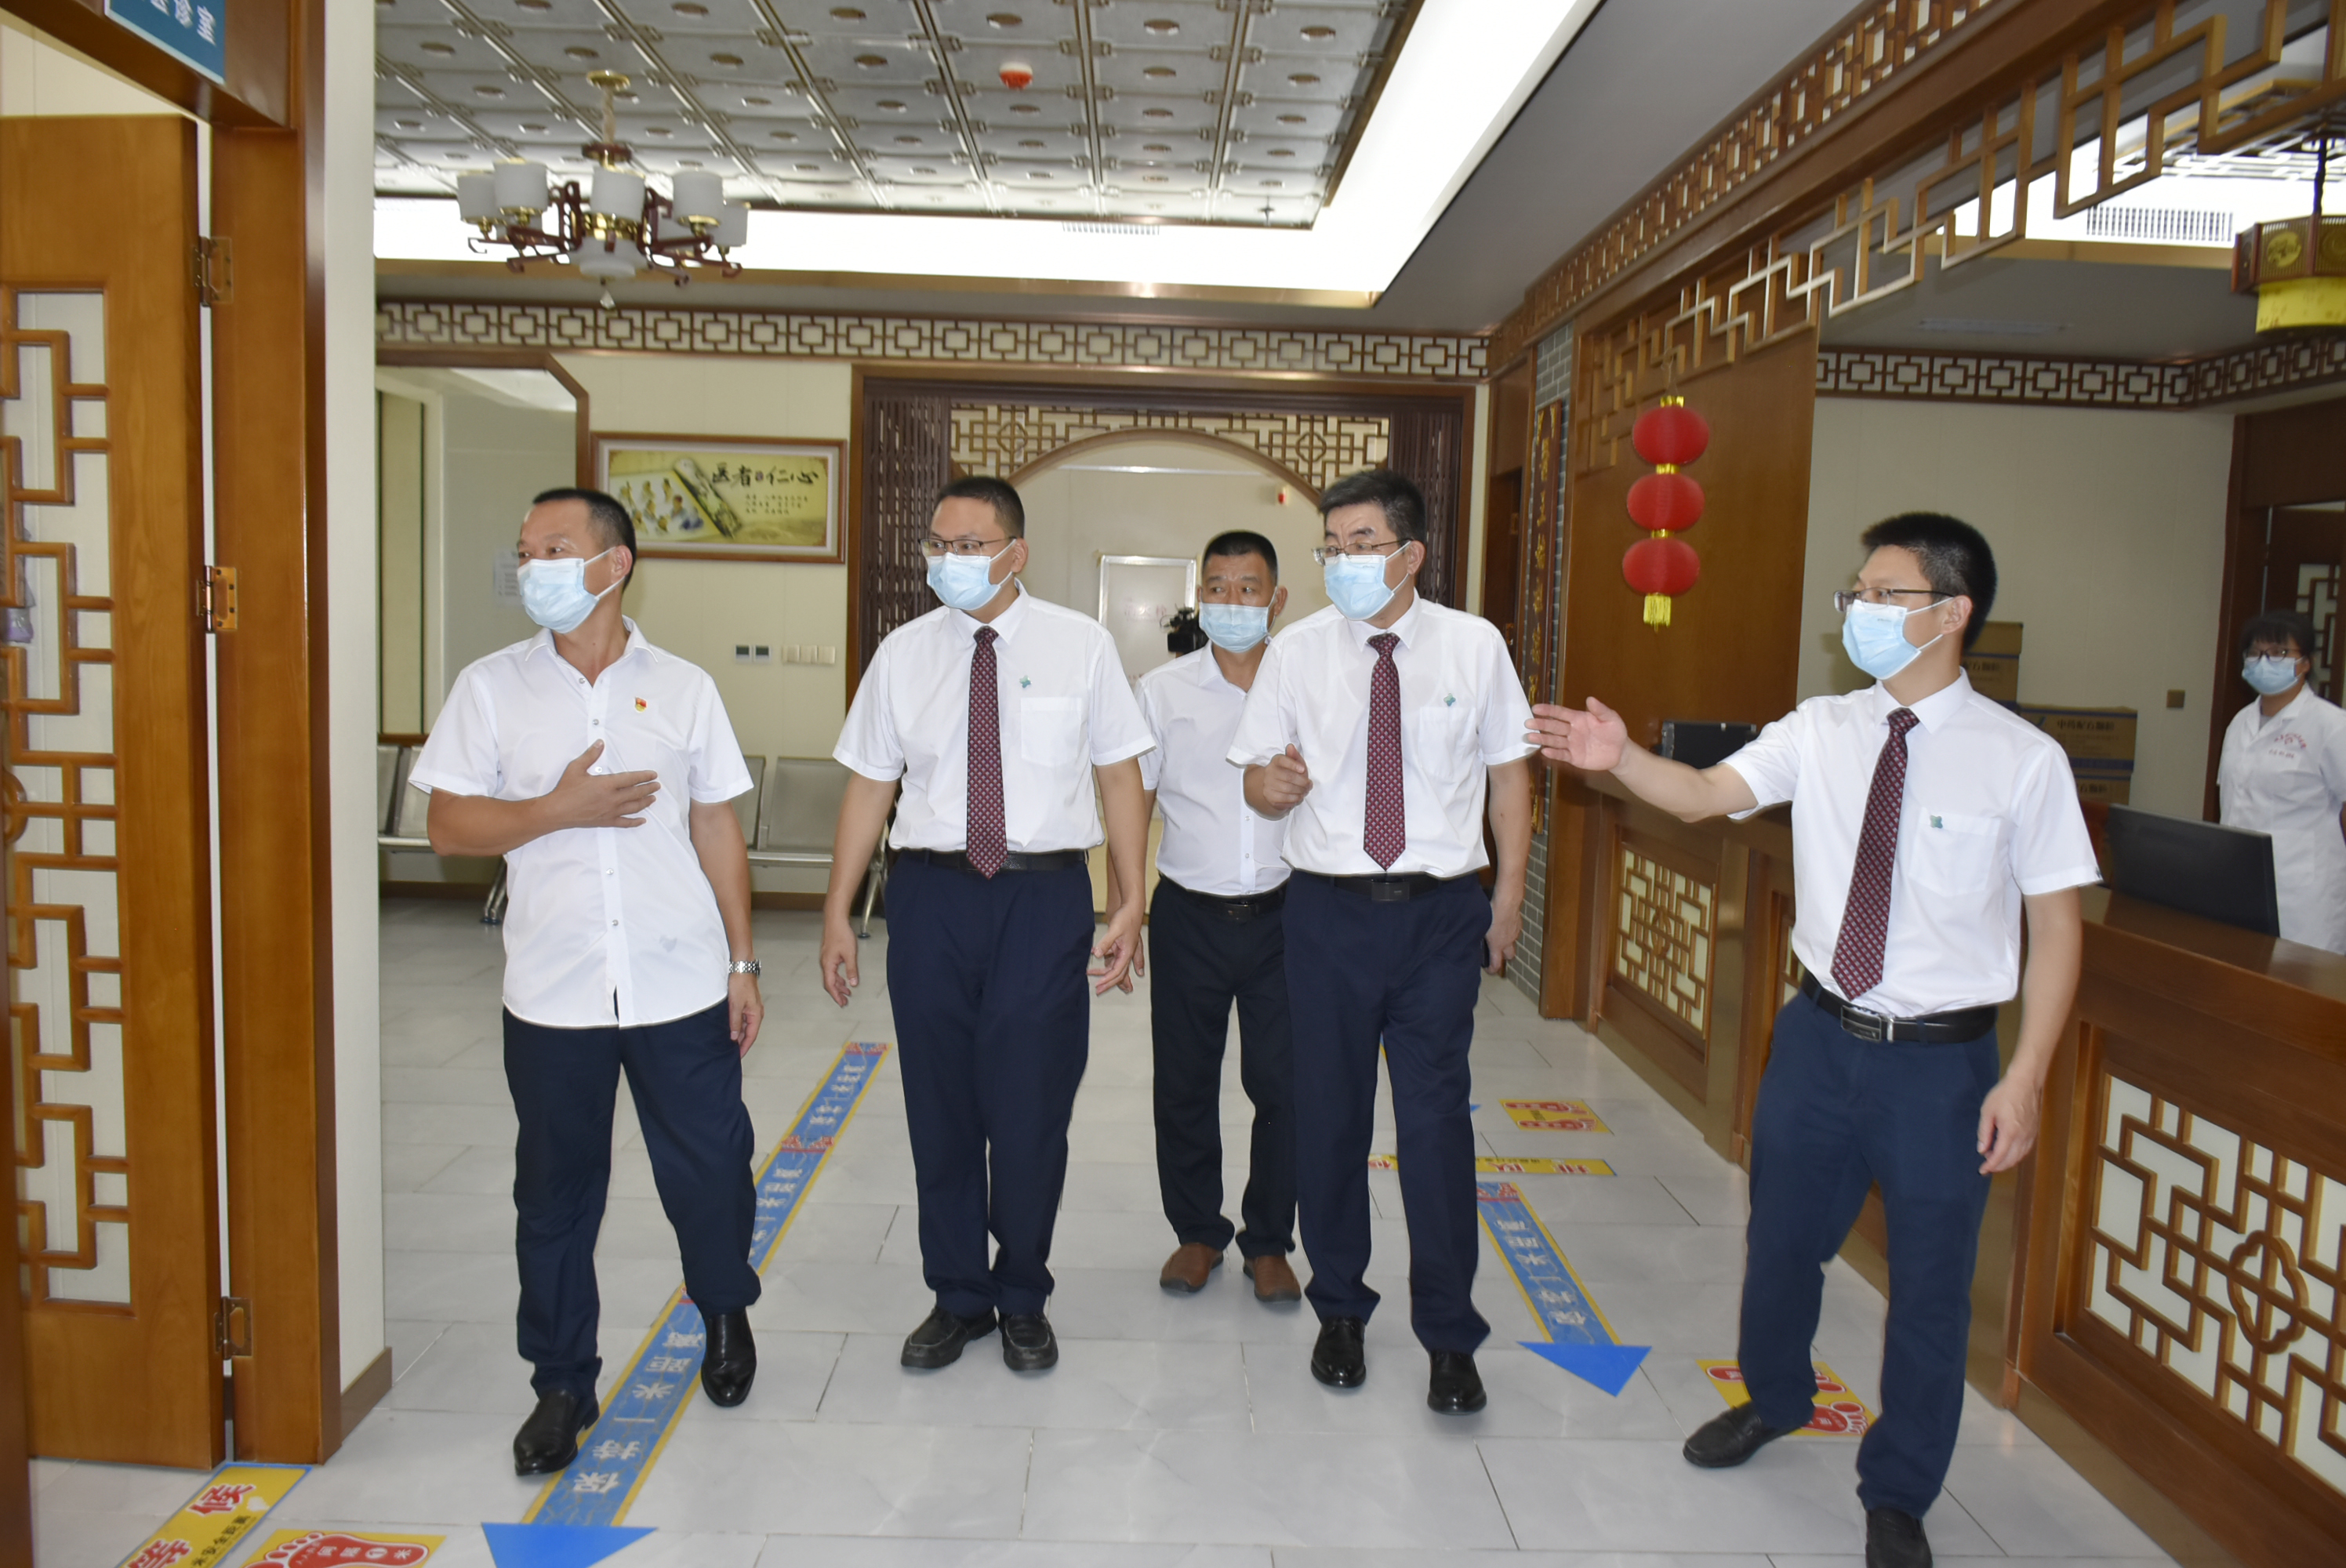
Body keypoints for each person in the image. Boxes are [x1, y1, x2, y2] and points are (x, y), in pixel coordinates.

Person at [1527, 512, 2096, 1568]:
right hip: (1820, 1038)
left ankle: (1899, 1489)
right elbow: (1706, 793)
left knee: (1929, 1287)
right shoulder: (1825, 726)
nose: (1859, 612)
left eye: (1884, 594)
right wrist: (1624, 759)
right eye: (1858, 593)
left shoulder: (2023, 760)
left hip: (1942, 1064)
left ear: (1951, 612)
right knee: (1782, 1241)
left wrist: (2023, 1078)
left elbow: (2058, 931)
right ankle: (1776, 1397)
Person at [413, 486, 766, 1475]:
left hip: (679, 978)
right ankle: (562, 1380)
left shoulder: (685, 686)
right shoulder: (490, 687)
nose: (532, 566)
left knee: (710, 1170)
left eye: (554, 548)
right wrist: (555, 808)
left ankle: (725, 1312)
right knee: (555, 1194)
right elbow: (447, 826)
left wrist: (742, 961)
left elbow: (714, 824)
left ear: (614, 565)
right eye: (526, 549)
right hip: (554, 992)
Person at [821, 474, 1153, 1374]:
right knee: (940, 1103)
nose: (948, 560)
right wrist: (838, 909)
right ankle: (959, 1293)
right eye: (938, 543)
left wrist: (1131, 897)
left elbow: (1119, 774)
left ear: (1016, 552)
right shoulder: (903, 653)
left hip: (1041, 899)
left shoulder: (1079, 646)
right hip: (931, 896)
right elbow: (870, 784)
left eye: (968, 545)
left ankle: (1024, 1292)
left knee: (1031, 1103)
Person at [1227, 468, 1536, 1415]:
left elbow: (1510, 777)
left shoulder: (1474, 645)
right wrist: (1271, 788)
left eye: (1361, 544)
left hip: (1439, 912)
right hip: (1326, 912)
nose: (1343, 562)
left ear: (1411, 553)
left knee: (1436, 1121)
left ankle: (1449, 1332)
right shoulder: (1297, 651)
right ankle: (1341, 1308)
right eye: (1332, 546)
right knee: (1329, 1114)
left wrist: (1508, 895)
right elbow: (1256, 776)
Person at [1117, 530, 1303, 1304]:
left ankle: (1269, 1240)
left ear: (1277, 599)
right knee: (1184, 1082)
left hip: (1288, 917)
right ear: (1201, 598)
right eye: (1218, 588)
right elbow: (1134, 801)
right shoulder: (1164, 691)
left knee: (1285, 1086)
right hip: (1188, 914)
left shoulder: (1308, 685)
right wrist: (1126, 904)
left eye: (1248, 588)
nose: (1232, 602)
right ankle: (1196, 1232)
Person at [2217, 607, 2346, 954]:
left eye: (2278, 653)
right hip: (2240, 883)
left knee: (2300, 980)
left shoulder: (2331, 725)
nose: (2264, 661)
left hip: (2302, 895)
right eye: (2255, 653)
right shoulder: (2240, 723)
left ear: (2305, 663)